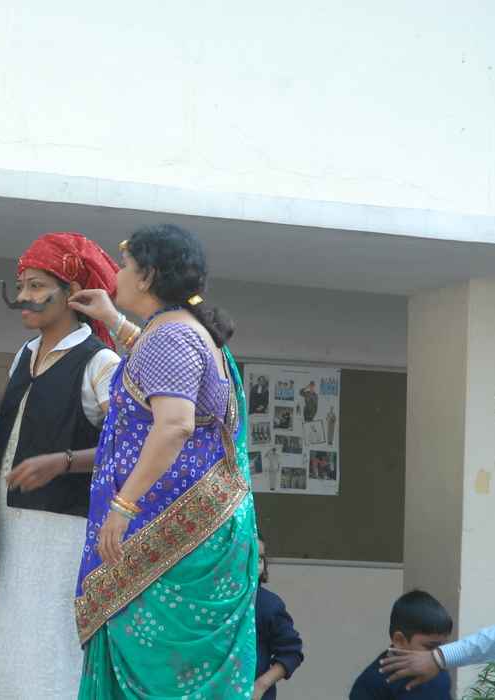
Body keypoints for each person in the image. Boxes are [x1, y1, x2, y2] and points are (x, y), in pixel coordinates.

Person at [67, 223, 259, 699]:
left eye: (125, 265)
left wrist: (123, 506)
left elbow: (174, 425)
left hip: (171, 534)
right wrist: (114, 321)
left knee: (158, 674)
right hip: (206, 526)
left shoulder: (170, 337)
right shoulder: (185, 330)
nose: (117, 274)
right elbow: (159, 371)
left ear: (148, 276)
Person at [0, 232, 120, 698]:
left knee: (51, 650)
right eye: (21, 285)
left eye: (37, 286)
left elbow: (130, 448)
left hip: (66, 531)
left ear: (73, 293)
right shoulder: (23, 355)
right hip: (11, 524)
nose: (23, 296)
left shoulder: (101, 361)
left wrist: (64, 462)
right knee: (10, 646)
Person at [380, 599, 495, 690]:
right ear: (399, 640)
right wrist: (439, 657)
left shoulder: (439, 678)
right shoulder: (375, 680)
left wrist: (439, 658)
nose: (429, 655)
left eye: (439, 646)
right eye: (429, 647)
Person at [349, 590, 452, 699]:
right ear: (399, 641)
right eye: (430, 647)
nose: (438, 653)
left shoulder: (438, 671)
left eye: (443, 647)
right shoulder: (371, 684)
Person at [253, 538, 304, 700]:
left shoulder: (268, 605)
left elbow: (292, 652)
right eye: (248, 555)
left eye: (260, 558)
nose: (256, 563)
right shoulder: (211, 604)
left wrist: (260, 685)